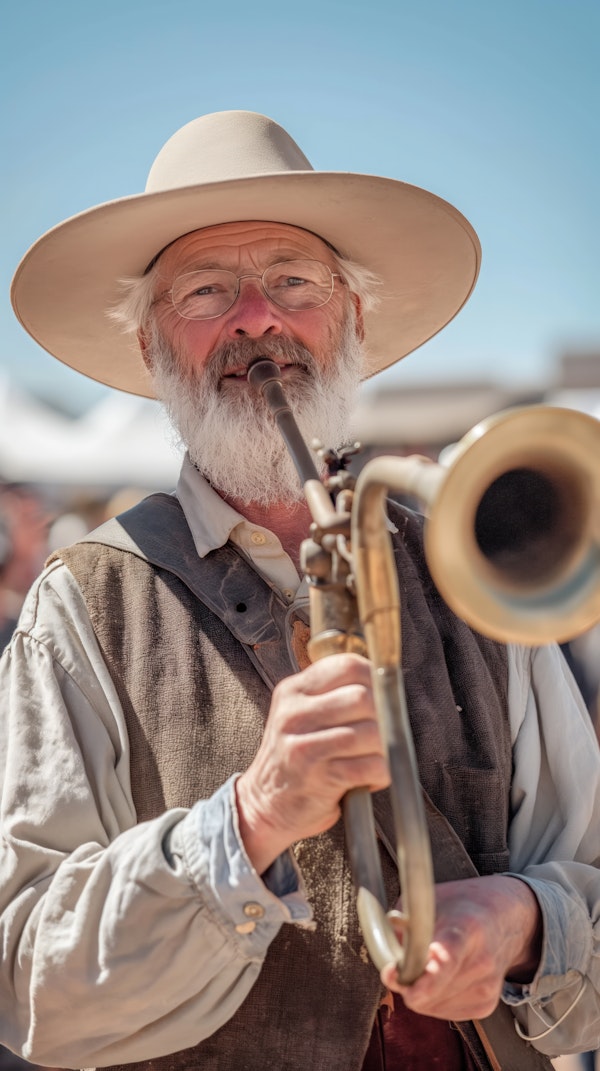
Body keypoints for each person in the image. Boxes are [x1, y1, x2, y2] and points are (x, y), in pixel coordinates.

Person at [1, 110, 599, 1071]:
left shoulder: (467, 558)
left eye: (292, 283)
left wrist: (527, 923)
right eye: (206, 292)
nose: (255, 320)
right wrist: (252, 817)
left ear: (353, 321)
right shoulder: (81, 602)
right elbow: (29, 986)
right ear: (155, 350)